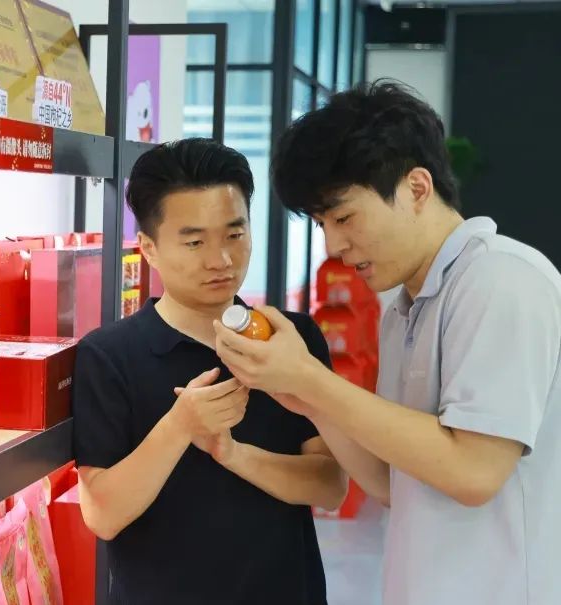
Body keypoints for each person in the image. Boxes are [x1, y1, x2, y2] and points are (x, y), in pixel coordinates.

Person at [213, 80, 561, 605]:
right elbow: (389, 482)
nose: (334, 244)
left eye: (344, 217)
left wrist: (311, 379)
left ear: (417, 188)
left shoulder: (500, 280)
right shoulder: (404, 309)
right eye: (321, 223)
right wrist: (305, 396)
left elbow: (474, 471)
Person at [72, 138, 347, 604]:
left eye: (234, 235)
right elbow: (103, 514)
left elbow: (330, 485)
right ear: (149, 248)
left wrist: (233, 454)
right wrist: (180, 426)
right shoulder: (109, 354)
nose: (220, 260)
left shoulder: (292, 338)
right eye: (195, 242)